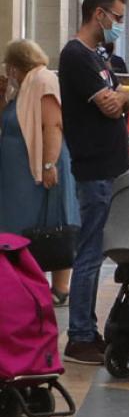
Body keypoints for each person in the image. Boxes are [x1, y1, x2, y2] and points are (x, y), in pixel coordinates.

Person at [58, 0, 129, 365]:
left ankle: (89, 328)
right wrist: (121, 99)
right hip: (95, 169)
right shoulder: (75, 55)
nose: (119, 25)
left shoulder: (101, 56)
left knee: (97, 252)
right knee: (89, 253)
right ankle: (79, 336)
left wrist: (123, 99)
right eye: (117, 18)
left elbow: (123, 97)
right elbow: (109, 104)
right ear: (99, 15)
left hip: (111, 166)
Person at [0, 40, 80, 305]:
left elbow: (53, 125)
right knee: (19, 226)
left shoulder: (43, 80)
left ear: (15, 64)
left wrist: (49, 164)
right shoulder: (20, 88)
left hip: (38, 169)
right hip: (16, 176)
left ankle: (59, 287)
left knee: (48, 225)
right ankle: (21, 282)